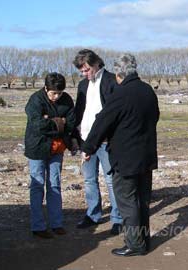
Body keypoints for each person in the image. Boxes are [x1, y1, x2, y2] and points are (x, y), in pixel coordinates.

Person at [81, 53, 159, 256]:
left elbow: (102, 122)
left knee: (127, 201)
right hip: (146, 155)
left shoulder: (122, 93)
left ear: (118, 72)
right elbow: (155, 117)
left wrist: (88, 148)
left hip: (126, 158)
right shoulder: (148, 90)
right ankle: (144, 240)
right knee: (142, 200)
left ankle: (134, 244)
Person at [72, 49, 123, 235]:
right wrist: (75, 137)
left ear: (96, 64)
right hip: (86, 140)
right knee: (89, 180)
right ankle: (93, 214)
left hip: (106, 141)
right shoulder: (82, 85)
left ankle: (118, 218)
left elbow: (114, 114)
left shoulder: (111, 81)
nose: (84, 74)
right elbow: (80, 111)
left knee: (111, 180)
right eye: (81, 71)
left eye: (86, 70)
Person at [24, 72, 75, 239]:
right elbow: (37, 124)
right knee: (37, 185)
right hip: (37, 148)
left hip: (56, 149)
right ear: (46, 88)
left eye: (59, 93)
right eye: (53, 93)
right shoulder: (35, 100)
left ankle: (56, 224)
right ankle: (38, 226)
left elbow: (72, 122)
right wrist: (59, 122)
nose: (56, 96)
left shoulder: (66, 100)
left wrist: (51, 121)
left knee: (55, 184)